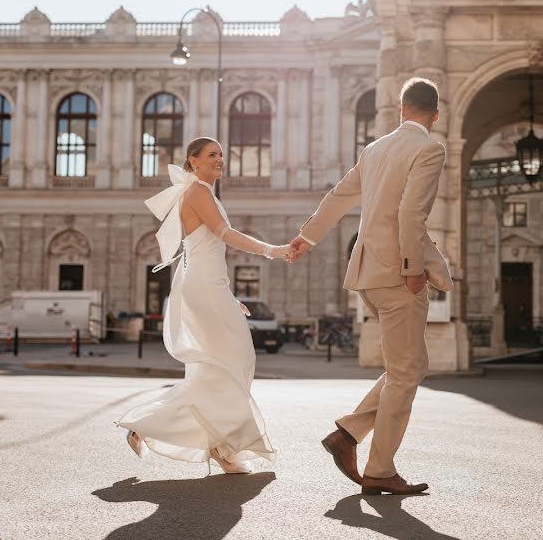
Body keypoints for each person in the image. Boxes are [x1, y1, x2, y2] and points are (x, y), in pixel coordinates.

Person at [288, 77, 453, 495]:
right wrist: (413, 267)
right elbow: (411, 214)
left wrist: (307, 236)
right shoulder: (429, 148)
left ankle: (348, 435)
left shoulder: (375, 148)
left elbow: (339, 196)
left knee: (407, 367)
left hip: (366, 271)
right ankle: (379, 469)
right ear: (435, 114)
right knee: (406, 372)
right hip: (398, 273)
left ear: (400, 109)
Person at [117, 137, 291, 474]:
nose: (220, 159)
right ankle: (217, 446)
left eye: (222, 154)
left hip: (210, 286)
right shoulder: (197, 192)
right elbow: (224, 235)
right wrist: (275, 250)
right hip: (205, 287)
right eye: (212, 155)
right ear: (193, 161)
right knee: (232, 361)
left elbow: (207, 253)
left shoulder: (200, 192)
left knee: (218, 367)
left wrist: (228, 296)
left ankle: (218, 445)